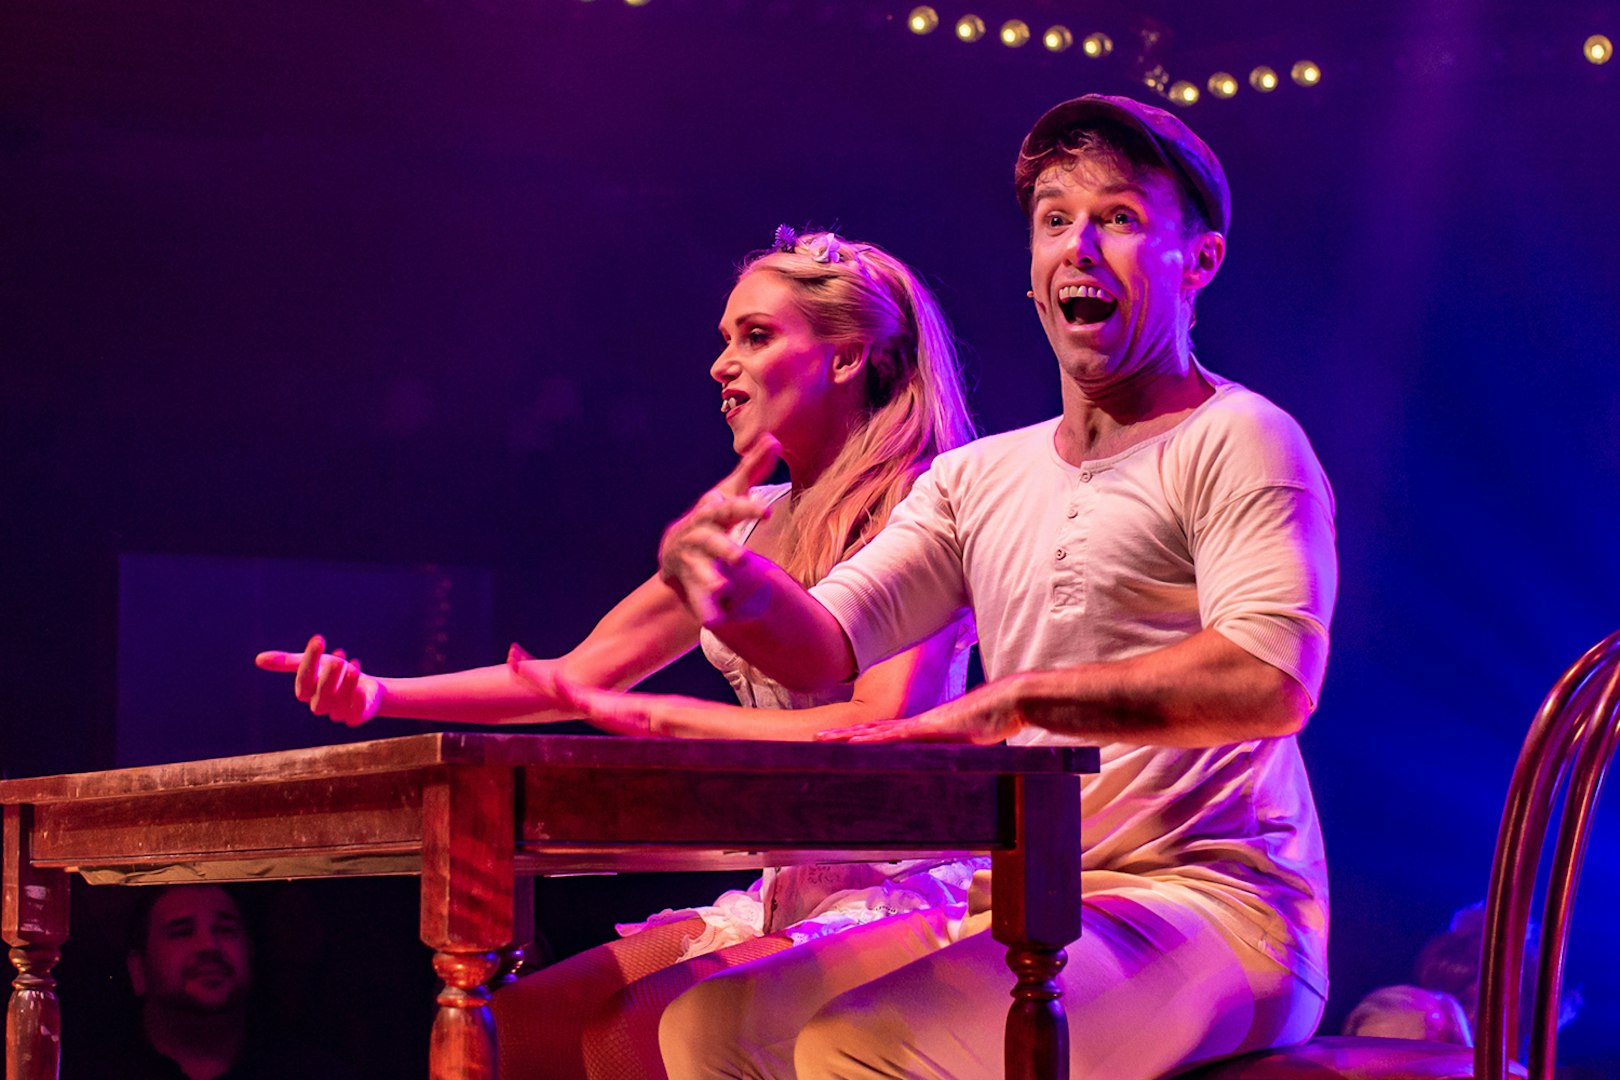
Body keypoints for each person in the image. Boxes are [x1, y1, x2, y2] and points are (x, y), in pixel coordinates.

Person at [645, 93, 1339, 1078]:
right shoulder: (979, 479)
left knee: (868, 1047)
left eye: (1121, 218)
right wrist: (736, 589)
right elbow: (826, 642)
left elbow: (1273, 679)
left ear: (1200, 262)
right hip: (1030, 894)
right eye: (1056, 221)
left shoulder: (1241, 437)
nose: (1080, 247)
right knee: (707, 1028)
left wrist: (1012, 702)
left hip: (1215, 905)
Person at [254, 228, 979, 1079]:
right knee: (513, 1029)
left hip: (898, 887)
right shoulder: (753, 521)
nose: (721, 365)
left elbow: (875, 722)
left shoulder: (926, 503)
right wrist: (381, 693)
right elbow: (580, 675)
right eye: (724, 341)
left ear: (848, 358)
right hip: (788, 885)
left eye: (755, 336)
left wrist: (672, 722)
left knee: (627, 1036)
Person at [72, 884, 353, 1080]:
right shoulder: (85, 1073)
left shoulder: (312, 1072)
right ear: (138, 969)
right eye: (181, 932)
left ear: (250, 953)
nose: (209, 945)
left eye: (225, 929)